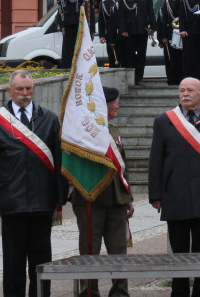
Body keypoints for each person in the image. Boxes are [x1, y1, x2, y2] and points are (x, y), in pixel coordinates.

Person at [0, 70, 66, 297]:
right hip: (12, 203)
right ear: (9, 91)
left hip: (42, 202)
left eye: (28, 88)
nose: (25, 93)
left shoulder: (49, 119)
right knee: (13, 264)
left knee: (41, 263)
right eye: (19, 89)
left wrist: (60, 195)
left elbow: (59, 159)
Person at [148, 77, 200, 297]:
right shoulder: (164, 121)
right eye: (182, 90)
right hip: (176, 197)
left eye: (190, 90)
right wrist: (155, 195)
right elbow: (156, 160)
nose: (185, 93)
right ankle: (180, 293)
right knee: (179, 254)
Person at [70, 86, 133, 297]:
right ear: (103, 105)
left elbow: (123, 165)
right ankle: (89, 292)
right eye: (114, 102)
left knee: (119, 252)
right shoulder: (83, 130)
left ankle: (120, 292)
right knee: (90, 251)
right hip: (90, 198)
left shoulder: (113, 130)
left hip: (116, 199)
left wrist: (128, 197)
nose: (117, 105)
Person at [116, 0, 153, 85]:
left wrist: (153, 26)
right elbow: (120, 14)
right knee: (130, 55)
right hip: (129, 30)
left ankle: (139, 78)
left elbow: (150, 12)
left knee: (141, 55)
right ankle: (131, 79)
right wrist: (122, 29)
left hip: (142, 29)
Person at [56, 0, 89, 70]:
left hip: (82, 22)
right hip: (70, 22)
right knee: (68, 48)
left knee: (83, 47)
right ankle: (66, 69)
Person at [156, 0, 185, 85]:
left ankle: (183, 79)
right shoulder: (168, 1)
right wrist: (163, 36)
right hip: (172, 33)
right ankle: (173, 79)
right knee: (172, 58)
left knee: (183, 59)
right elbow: (164, 20)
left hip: (184, 33)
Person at [98, 0, 123, 69]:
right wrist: (101, 35)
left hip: (122, 34)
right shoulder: (105, 4)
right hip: (110, 35)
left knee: (123, 58)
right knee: (112, 59)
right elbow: (101, 21)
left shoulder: (122, 1)